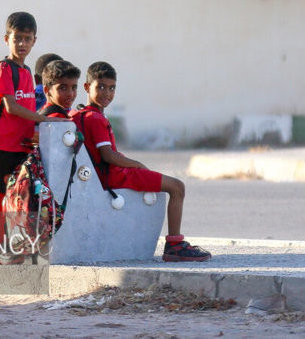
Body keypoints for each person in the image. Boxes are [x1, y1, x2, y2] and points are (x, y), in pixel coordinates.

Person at [72, 61, 211, 262]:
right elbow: (108, 155)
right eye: (100, 87)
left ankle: (175, 244)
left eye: (111, 88)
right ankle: (174, 245)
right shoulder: (96, 119)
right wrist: (137, 165)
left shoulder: (78, 114)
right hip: (116, 177)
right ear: (87, 87)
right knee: (177, 187)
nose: (106, 93)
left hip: (101, 176)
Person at [0, 12, 65, 264]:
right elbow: (10, 107)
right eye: (17, 38)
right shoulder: (4, 69)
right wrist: (42, 119)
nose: (22, 44)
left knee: (21, 197)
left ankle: (19, 246)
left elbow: (26, 109)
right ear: (6, 38)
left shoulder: (27, 71)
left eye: (27, 39)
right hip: (1, 145)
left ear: (34, 41)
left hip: (23, 147)